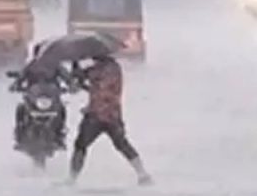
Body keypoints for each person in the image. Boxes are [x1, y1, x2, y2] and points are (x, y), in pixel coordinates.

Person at [68, 54, 152, 185]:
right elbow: (90, 84)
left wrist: (78, 71)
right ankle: (142, 174)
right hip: (110, 114)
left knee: (82, 145)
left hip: (99, 114)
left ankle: (72, 179)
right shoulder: (108, 68)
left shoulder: (106, 69)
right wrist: (77, 70)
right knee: (121, 144)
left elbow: (93, 82)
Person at [11, 42, 77, 150]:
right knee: (21, 108)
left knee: (61, 109)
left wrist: (71, 85)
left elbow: (66, 76)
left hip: (51, 96)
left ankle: (60, 134)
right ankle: (20, 133)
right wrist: (16, 85)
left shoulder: (56, 66)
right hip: (34, 97)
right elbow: (22, 76)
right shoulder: (31, 65)